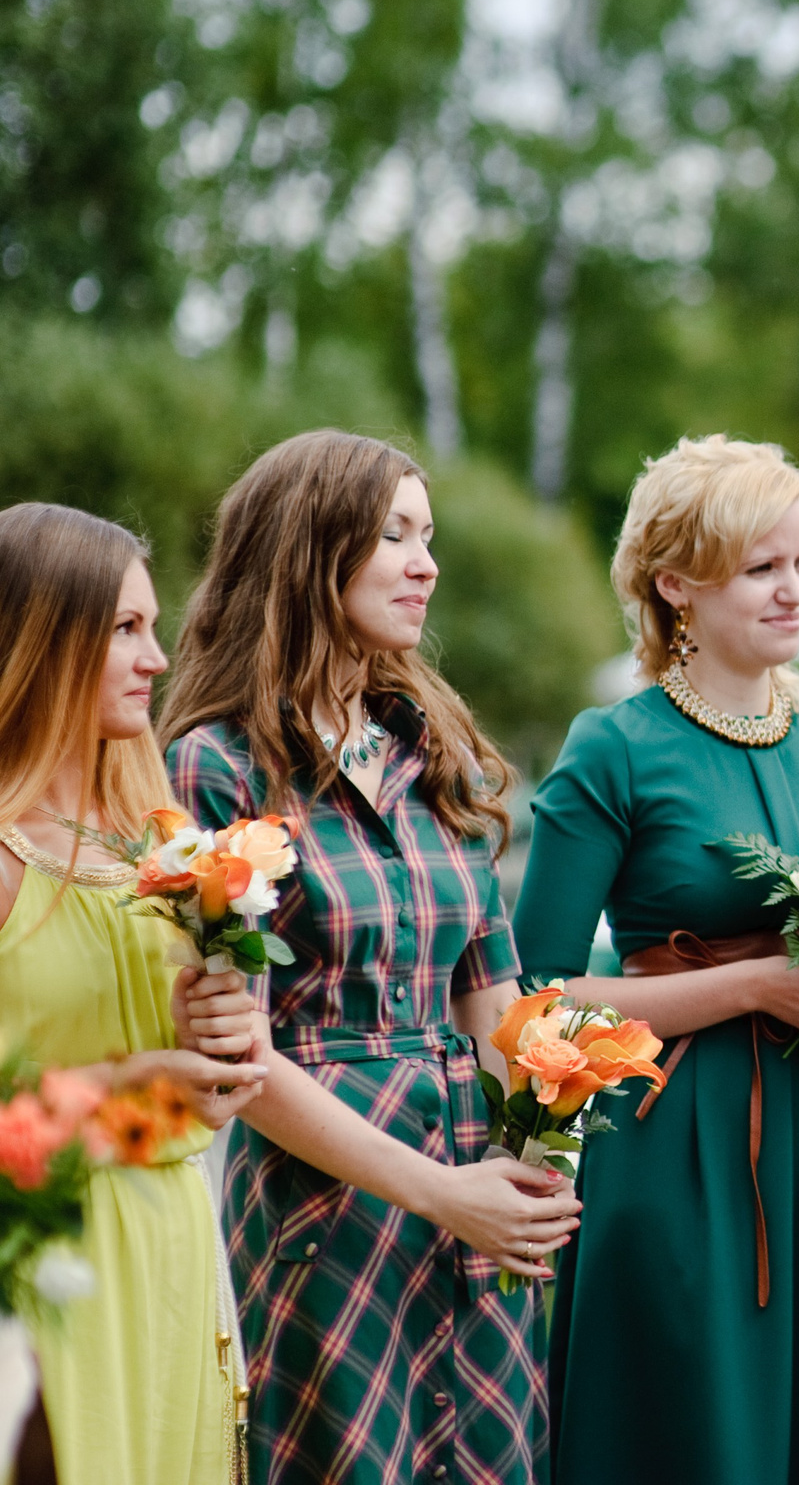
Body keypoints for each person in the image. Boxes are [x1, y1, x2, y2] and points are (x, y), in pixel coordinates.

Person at [512, 434, 799, 1485]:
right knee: (702, 1438)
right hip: (682, 1151)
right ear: (675, 585)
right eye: (762, 568)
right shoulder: (611, 747)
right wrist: (757, 986)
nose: (795, 589)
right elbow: (538, 999)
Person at [160, 432, 579, 1485]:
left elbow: (494, 1000)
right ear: (308, 550)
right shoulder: (214, 767)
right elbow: (239, 1063)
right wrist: (440, 1191)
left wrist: (536, 1161)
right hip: (326, 1227)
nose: (425, 564)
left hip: (475, 1228)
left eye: (427, 537)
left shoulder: (429, 753)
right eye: (393, 535)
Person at [0, 503, 270, 1485]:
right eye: (125, 629)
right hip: (45, 1264)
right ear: (42, 635)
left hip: (172, 1245)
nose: (157, 659)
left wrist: (232, 1037)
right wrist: (133, 1084)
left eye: (151, 628)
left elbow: (228, 1076)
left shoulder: (163, 847)